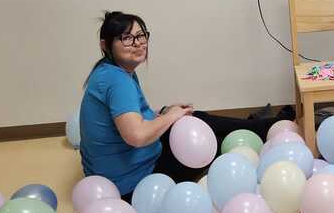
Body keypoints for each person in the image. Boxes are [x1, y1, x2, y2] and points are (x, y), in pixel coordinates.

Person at [79, 11, 292, 199]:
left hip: (115, 173)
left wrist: (164, 112)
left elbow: (131, 118)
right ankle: (263, 128)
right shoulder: (117, 80)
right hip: (133, 183)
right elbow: (136, 135)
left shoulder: (110, 71)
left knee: (194, 118)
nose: (138, 43)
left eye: (141, 35)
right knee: (212, 145)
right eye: (126, 38)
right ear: (105, 45)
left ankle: (259, 126)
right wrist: (170, 117)